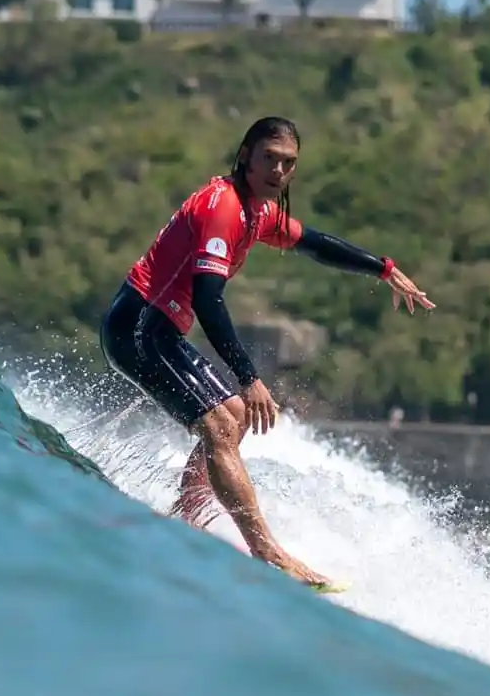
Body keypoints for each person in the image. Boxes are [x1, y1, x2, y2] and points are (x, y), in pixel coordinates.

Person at [99, 116, 435, 591]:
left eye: (288, 163)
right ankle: (268, 551)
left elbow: (315, 244)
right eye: (269, 159)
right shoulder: (223, 208)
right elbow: (210, 298)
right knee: (221, 423)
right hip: (137, 327)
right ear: (245, 157)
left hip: (160, 330)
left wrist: (383, 269)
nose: (278, 171)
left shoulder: (257, 212)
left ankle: (185, 520)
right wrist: (249, 377)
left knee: (233, 420)